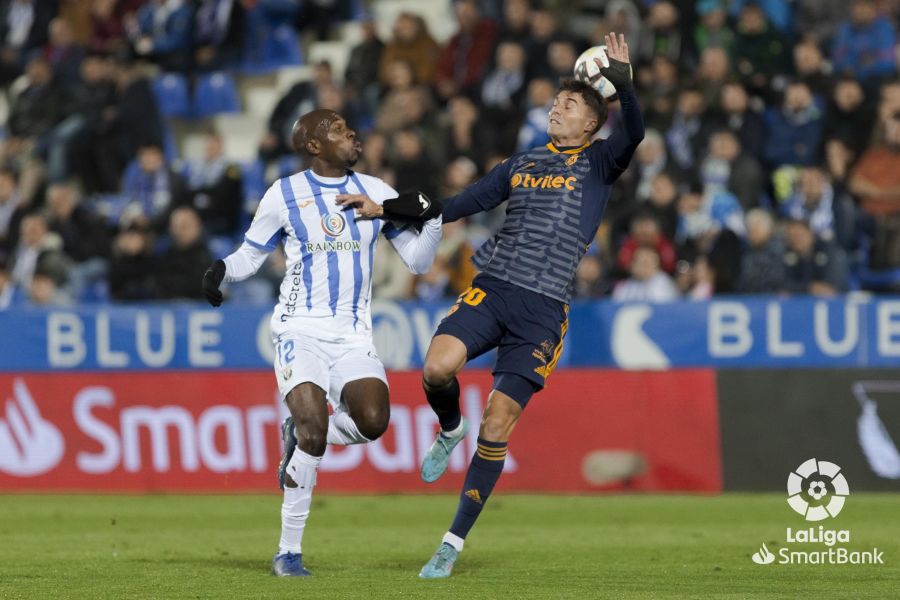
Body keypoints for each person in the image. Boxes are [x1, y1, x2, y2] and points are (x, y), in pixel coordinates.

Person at [415, 33, 644, 578]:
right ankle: (449, 428)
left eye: (568, 104)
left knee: (497, 422)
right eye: (555, 103)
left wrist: (625, 82)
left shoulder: (599, 163)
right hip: (494, 288)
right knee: (435, 368)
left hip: (543, 311)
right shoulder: (520, 163)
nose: (556, 108)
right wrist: (391, 211)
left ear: (591, 122)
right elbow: (456, 205)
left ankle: (451, 542)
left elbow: (634, 129)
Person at [200, 109, 442, 577]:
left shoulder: (377, 191)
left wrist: (431, 220)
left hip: (354, 335)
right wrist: (220, 271)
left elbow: (417, 262)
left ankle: (297, 438)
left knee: (373, 422)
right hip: (299, 330)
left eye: (350, 128)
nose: (351, 134)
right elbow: (252, 254)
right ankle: (288, 553)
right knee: (313, 428)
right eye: (338, 130)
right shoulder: (284, 193)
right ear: (314, 145)